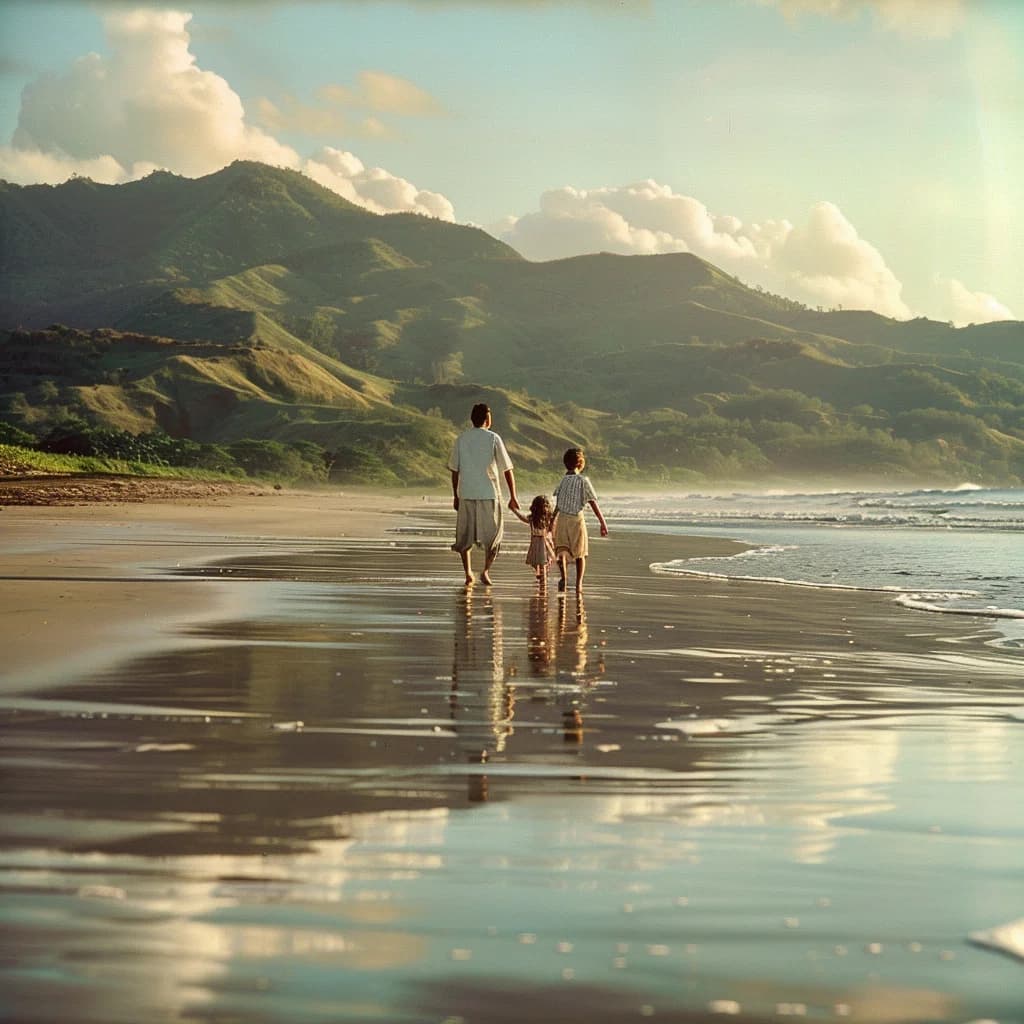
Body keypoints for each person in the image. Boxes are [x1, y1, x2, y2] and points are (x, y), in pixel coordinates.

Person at [449, 402, 520, 586]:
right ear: (487, 419)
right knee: (495, 537)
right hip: (489, 494)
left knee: (464, 537)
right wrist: (513, 496)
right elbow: (507, 469)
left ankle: (468, 574)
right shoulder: (494, 438)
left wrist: (455, 495)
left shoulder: (461, 439)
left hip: (466, 493)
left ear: (472, 419)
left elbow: (454, 471)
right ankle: (486, 571)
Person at [552, 447, 608, 595]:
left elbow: (558, 504)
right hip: (576, 519)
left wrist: (552, 520)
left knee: (561, 550)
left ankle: (563, 577)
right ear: (580, 463)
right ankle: (578, 584)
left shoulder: (563, 481)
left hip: (562, 518)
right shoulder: (584, 480)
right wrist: (602, 522)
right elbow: (592, 502)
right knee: (580, 553)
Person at [512, 494, 556, 586]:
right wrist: (514, 510)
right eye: (543, 506)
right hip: (535, 544)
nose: (545, 508)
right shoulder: (533, 519)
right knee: (535, 563)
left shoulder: (548, 518)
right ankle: (541, 572)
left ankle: (543, 584)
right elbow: (523, 518)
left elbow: (553, 529)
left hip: (545, 544)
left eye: (546, 506)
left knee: (543, 562)